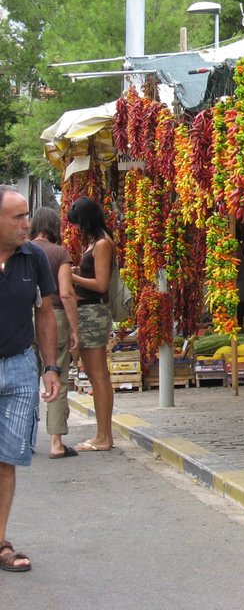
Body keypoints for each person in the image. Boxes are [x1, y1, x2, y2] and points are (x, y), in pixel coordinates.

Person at [0, 185, 60, 573]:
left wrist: (51, 366)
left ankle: (0, 541)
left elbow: (46, 313)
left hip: (20, 366)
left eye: (26, 216)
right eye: (17, 217)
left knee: (7, 459)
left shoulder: (34, 257)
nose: (27, 224)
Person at [30, 206, 81, 459]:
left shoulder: (23, 250)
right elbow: (66, 293)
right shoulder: (60, 253)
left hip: (23, 318)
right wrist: (74, 329)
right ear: (54, 227)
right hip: (54, 316)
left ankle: (23, 440)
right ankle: (55, 443)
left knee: (25, 378)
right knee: (56, 376)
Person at [66, 196, 116, 453]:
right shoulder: (96, 243)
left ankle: (103, 436)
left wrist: (70, 275)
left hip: (93, 313)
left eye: (78, 225)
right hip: (88, 312)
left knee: (98, 376)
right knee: (97, 376)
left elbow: (101, 285)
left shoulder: (102, 244)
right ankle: (101, 434)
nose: (77, 230)